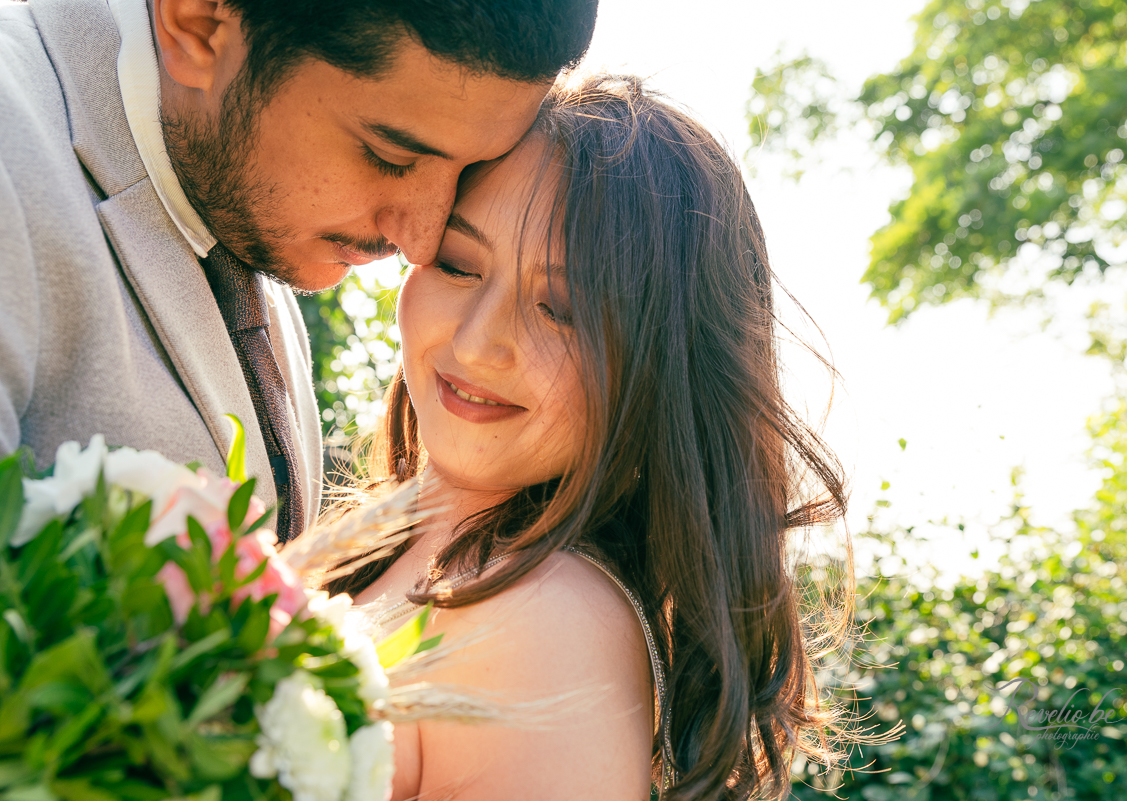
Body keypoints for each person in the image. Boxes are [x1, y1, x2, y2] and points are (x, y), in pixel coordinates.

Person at [333, 74, 853, 800]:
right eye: (457, 263)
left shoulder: (543, 622)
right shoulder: (364, 536)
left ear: (662, 366)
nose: (482, 343)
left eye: (562, 309)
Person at [0, 0, 597, 541]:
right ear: (200, 24)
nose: (422, 239)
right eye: (390, 156)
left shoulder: (245, 209)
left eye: (469, 170)